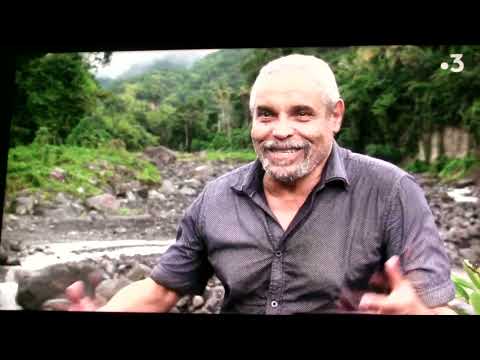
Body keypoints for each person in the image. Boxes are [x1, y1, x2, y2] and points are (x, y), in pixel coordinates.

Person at [66, 54, 456, 315]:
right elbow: (161, 291)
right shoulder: (216, 199)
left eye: (302, 114)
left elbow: (429, 302)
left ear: (335, 116)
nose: (281, 132)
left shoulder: (390, 191)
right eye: (266, 115)